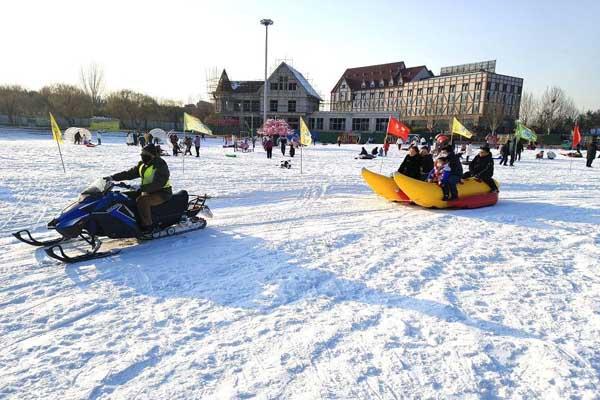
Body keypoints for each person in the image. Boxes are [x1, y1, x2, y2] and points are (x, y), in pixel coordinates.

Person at [107, 143, 172, 233]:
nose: (142, 155)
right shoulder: (142, 164)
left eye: (145, 154)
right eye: (142, 153)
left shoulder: (160, 165)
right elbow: (130, 173)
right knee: (125, 197)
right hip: (148, 191)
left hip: (162, 193)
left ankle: (148, 226)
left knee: (142, 201)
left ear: (152, 155)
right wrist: (113, 177)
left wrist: (141, 188)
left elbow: (159, 183)